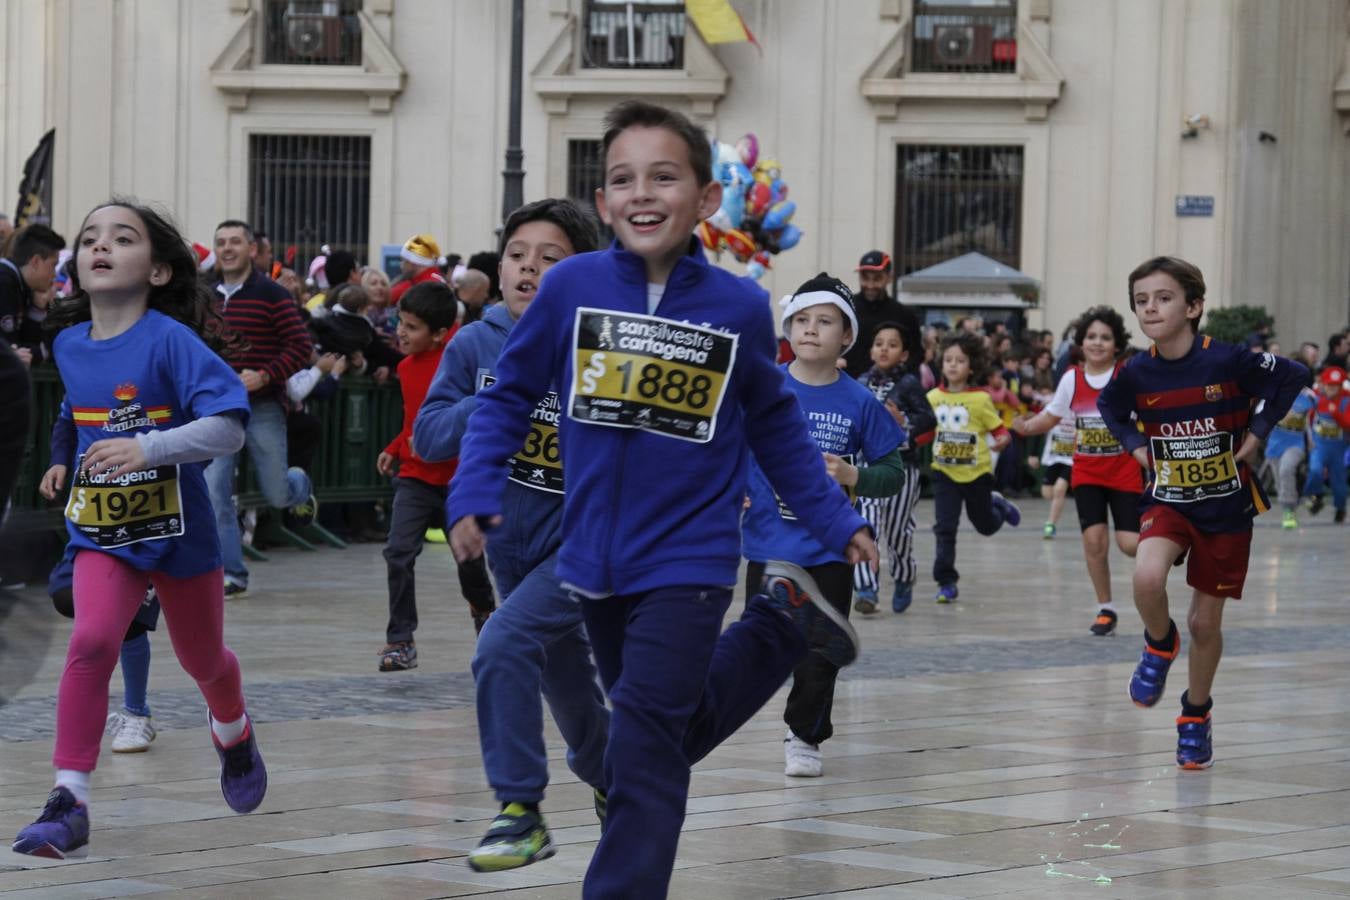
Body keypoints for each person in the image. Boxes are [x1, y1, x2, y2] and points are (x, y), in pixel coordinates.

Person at [445, 100, 876, 898]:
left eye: (664, 176)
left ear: (706, 200)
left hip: (690, 557)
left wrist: (833, 519)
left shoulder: (739, 306)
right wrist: (473, 491)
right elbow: (508, 397)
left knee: (642, 742)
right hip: (593, 558)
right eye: (621, 179)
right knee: (658, 731)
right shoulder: (571, 287)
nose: (642, 192)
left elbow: (775, 423)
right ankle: (782, 626)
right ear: (605, 202)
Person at [11, 200, 266, 859]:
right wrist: (66, 456)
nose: (101, 246)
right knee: (92, 639)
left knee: (202, 660)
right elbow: (80, 411)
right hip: (103, 531)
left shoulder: (171, 342)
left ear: (155, 270)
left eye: (123, 239)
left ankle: (233, 730)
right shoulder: (69, 345)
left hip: (181, 533)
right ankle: (70, 799)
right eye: (90, 237)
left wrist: (149, 449)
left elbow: (229, 427)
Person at [413, 197, 609, 871]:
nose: (529, 269)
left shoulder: (598, 343)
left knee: (501, 643)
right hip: (509, 548)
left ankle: (520, 809)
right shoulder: (474, 345)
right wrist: (495, 397)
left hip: (584, 545)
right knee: (566, 678)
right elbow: (430, 435)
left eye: (550, 259)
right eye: (518, 256)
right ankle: (617, 778)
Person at [1098, 256, 1307, 769]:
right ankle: (1157, 643)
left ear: (1193, 307)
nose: (1150, 308)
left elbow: (1294, 375)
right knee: (1146, 576)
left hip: (1226, 508)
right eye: (1141, 300)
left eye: (1163, 298)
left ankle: (1195, 714)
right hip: (1167, 499)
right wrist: (1135, 445)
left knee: (1204, 623)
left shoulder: (1229, 361)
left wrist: (1257, 435)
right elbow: (1110, 407)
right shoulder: (1136, 371)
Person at [744, 274, 904, 777]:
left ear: (847, 338)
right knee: (761, 649)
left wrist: (855, 474)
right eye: (802, 320)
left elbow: (893, 474)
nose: (811, 330)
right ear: (788, 329)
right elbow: (726, 448)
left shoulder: (860, 402)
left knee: (821, 652)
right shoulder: (763, 389)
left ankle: (805, 734)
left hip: (833, 549)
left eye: (825, 321)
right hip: (769, 543)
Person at [374, 281, 497, 670]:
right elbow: (417, 421)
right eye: (400, 322)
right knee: (397, 552)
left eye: (412, 327)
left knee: (470, 561)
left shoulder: (458, 362)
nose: (401, 332)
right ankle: (400, 639)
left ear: (441, 333)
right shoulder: (405, 367)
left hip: (458, 480)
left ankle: (486, 618)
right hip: (414, 477)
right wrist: (395, 448)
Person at [1012, 306, 1144, 634]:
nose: (1097, 343)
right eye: (1091, 337)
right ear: (1081, 343)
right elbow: (1052, 415)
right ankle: (1105, 609)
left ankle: (1169, 547)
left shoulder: (1125, 376)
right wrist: (1027, 427)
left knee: (1129, 544)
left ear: (1117, 344)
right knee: (1094, 542)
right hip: (1088, 473)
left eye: (1105, 338)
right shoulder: (1072, 378)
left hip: (1125, 470)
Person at [204, 219, 316, 598]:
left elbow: (301, 347)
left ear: (251, 249)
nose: (227, 248)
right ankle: (232, 574)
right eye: (221, 242)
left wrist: (266, 376)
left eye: (235, 241)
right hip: (217, 409)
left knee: (277, 494)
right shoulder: (203, 295)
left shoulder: (272, 294)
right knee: (215, 491)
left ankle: (298, 485)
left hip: (263, 404)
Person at [927, 331, 1021, 604]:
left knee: (984, 526)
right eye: (948, 360)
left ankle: (999, 508)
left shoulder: (980, 399)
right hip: (943, 472)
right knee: (945, 528)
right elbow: (922, 430)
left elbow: (1000, 430)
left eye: (960, 360)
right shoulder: (931, 397)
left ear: (972, 366)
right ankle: (946, 581)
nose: (953, 365)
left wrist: (1002, 441)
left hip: (977, 473)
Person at [853, 317, 934, 614]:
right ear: (871, 350)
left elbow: (929, 420)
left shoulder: (910, 383)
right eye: (879, 344)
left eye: (892, 345)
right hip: (867, 468)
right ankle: (865, 588)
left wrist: (905, 423)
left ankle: (903, 577)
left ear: (903, 354)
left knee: (899, 532)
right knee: (866, 527)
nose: (884, 349)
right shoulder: (860, 383)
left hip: (903, 469)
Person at [1, 223, 65, 351]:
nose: (54, 275)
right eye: (53, 265)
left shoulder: (21, 284)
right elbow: (11, 349)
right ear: (36, 262)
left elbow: (27, 343)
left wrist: (38, 308)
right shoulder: (4, 281)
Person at [842, 250, 905, 377]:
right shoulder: (846, 308)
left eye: (877, 279)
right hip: (847, 381)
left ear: (889, 277)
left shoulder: (903, 314)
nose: (870, 285)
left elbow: (915, 355)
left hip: (889, 386)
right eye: (865, 278)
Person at [1300, 365, 1350, 523]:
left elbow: (1348, 425)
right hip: (1319, 444)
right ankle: (1315, 496)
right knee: (1315, 470)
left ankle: (1340, 508)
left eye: (1335, 386)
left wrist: (1336, 413)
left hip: (1339, 447)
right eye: (1328, 385)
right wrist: (1309, 440)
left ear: (1341, 385)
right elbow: (1307, 419)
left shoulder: (1347, 400)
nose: (1331, 389)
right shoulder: (1317, 398)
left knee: (1339, 483)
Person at [1264, 381, 1316, 529]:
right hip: (1274, 446)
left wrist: (1314, 445)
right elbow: (1261, 415)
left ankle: (1289, 511)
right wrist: (1278, 416)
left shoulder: (1309, 397)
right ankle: (1292, 503)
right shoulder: (1273, 393)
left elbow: (1315, 419)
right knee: (1280, 482)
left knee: (1286, 469)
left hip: (1296, 443)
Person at [389, 234, 445, 306]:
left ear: (414, 262)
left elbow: (387, 298)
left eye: (403, 260)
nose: (401, 265)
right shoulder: (426, 280)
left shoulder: (429, 285)